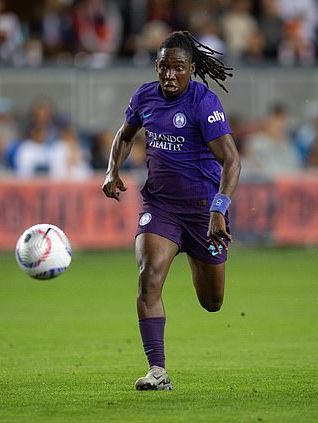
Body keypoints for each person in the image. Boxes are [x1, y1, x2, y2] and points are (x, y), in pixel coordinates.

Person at [101, 30, 241, 391]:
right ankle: (157, 370)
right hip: (160, 206)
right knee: (149, 277)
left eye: (178, 68)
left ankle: (201, 256)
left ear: (191, 69)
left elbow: (232, 161)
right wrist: (112, 171)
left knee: (212, 302)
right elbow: (125, 133)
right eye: (163, 67)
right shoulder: (145, 97)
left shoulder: (203, 103)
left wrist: (219, 209)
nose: (169, 76)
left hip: (203, 212)